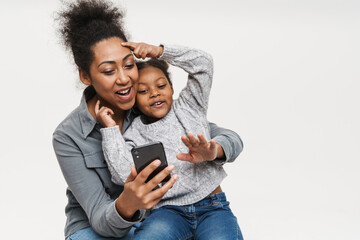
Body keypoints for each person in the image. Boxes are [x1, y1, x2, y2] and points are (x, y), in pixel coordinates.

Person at [52, 0, 243, 239]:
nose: (124, 79)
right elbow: (100, 218)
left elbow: (225, 136)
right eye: (109, 71)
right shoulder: (68, 136)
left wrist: (215, 150)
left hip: (160, 214)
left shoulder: (151, 106)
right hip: (100, 225)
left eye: (129, 65)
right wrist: (128, 203)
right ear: (85, 75)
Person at [96, 42, 244, 240]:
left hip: (212, 206)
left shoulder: (190, 106)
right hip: (167, 212)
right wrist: (110, 129)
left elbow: (203, 63)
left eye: (161, 85)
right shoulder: (133, 134)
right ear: (133, 98)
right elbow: (121, 174)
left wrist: (161, 52)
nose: (154, 93)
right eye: (143, 91)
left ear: (172, 87)